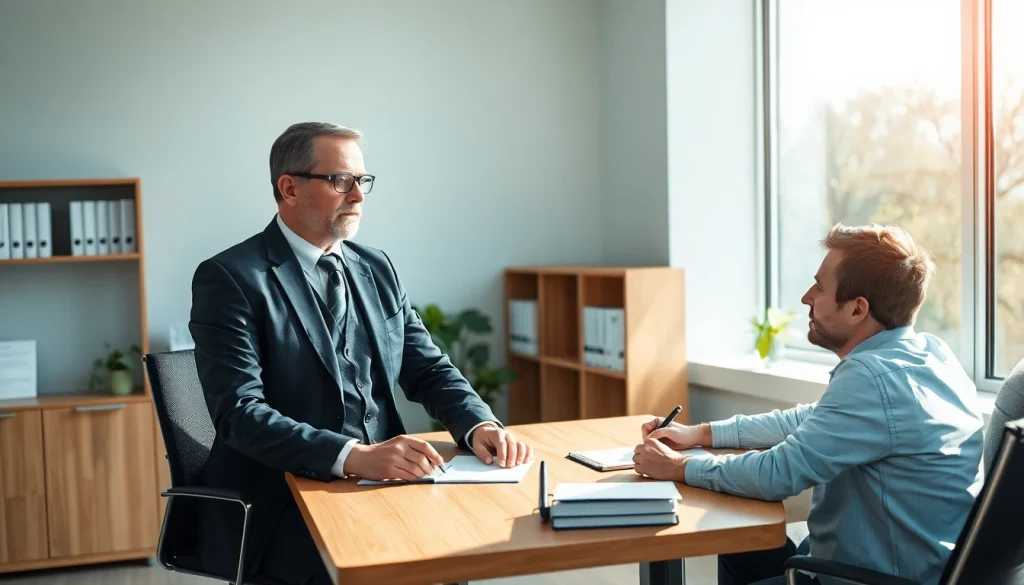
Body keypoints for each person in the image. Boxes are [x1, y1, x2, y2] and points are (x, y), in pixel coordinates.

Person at [188, 121, 533, 585]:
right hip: (284, 500)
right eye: (339, 181)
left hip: (386, 487)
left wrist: (478, 423)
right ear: (289, 188)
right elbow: (239, 413)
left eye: (362, 181)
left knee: (457, 557)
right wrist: (354, 456)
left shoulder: (377, 267)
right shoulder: (231, 278)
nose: (358, 196)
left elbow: (428, 368)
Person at [632, 224, 984, 585]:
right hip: (925, 568)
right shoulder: (929, 355)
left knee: (746, 536)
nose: (806, 297)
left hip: (874, 578)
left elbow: (776, 475)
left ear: (857, 310)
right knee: (747, 545)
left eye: (819, 287)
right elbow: (808, 420)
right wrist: (699, 433)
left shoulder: (871, 378)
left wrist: (677, 467)